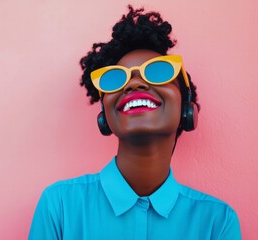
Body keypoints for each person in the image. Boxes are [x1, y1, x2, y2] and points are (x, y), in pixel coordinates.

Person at [28, 6, 241, 240]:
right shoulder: (59, 207)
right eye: (116, 79)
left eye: (158, 72)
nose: (133, 85)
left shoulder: (218, 223)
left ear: (187, 110)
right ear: (104, 116)